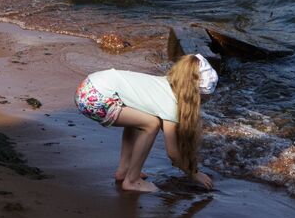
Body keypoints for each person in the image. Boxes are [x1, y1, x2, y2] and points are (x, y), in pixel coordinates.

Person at [74, 54, 218, 193]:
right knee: (151, 124)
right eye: (202, 100)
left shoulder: (164, 83)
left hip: (89, 85)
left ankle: (124, 170)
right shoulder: (171, 104)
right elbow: (172, 153)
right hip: (95, 98)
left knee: (142, 119)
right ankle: (132, 181)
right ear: (193, 94)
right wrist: (194, 174)